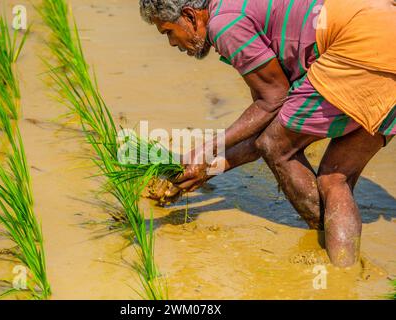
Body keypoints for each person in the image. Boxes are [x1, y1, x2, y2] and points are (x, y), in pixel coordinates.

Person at [138, 0, 396, 267]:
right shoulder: (242, 10)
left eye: (168, 31)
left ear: (190, 16)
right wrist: (206, 168)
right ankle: (345, 279)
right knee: (334, 179)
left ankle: (330, 268)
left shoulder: (224, 23)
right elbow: (264, 125)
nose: (171, 43)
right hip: (384, 31)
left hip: (359, 45)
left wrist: (207, 149)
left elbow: (272, 107)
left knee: (279, 147)